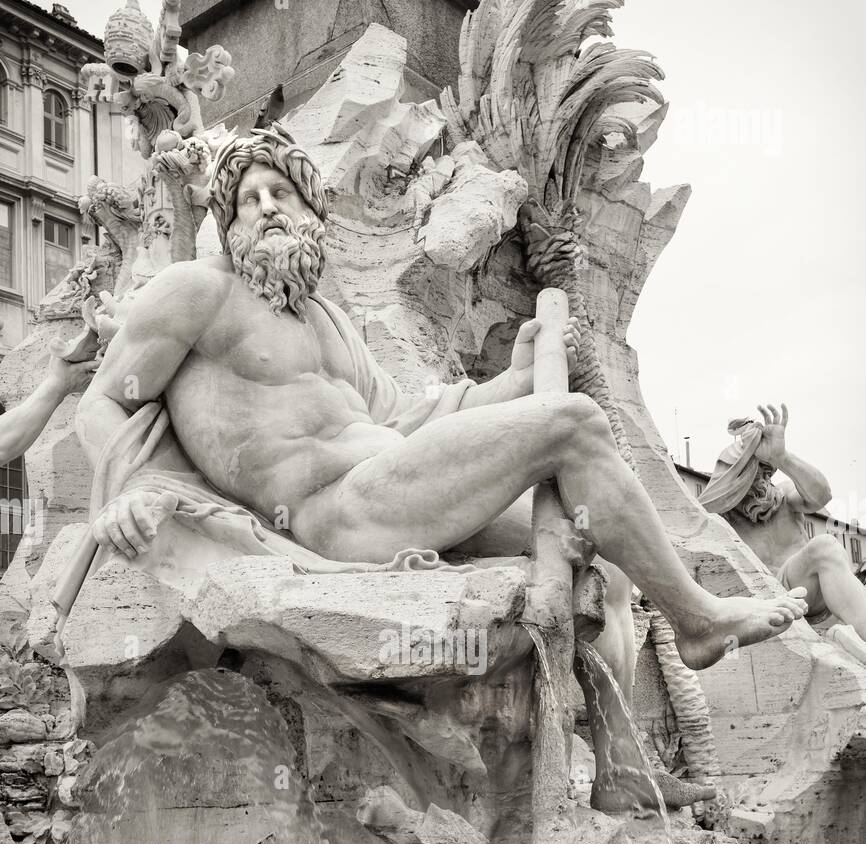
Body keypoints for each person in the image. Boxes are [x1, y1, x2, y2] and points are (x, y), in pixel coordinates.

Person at [75, 122, 807, 809]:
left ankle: (617, 765)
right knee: (578, 426)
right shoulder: (198, 294)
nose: (266, 209)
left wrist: (514, 382)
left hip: (394, 490)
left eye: (281, 193)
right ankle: (699, 621)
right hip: (331, 515)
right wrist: (130, 487)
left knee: (608, 562)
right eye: (247, 200)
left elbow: (406, 421)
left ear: (310, 208)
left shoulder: (330, 323)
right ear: (227, 225)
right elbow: (104, 401)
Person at [700, 405, 866, 664]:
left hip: (814, 590)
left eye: (766, 474)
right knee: (824, 547)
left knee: (825, 547)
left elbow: (822, 495)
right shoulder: (724, 521)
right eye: (754, 477)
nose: (763, 482)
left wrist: (782, 457)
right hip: (770, 600)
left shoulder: (785, 497)